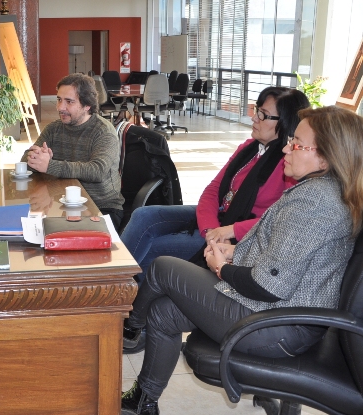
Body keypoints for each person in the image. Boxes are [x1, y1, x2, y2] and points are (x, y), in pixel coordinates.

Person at [120, 105, 363, 415]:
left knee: (162, 268)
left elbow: (269, 285)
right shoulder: (326, 191)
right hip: (281, 314)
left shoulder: (314, 202)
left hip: (273, 325)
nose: (286, 147)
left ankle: (129, 329)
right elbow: (288, 256)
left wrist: (221, 268)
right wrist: (233, 252)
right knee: (164, 311)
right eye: (291, 139)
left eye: (297, 143)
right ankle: (144, 401)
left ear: (327, 157)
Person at [120, 87, 309, 290]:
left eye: (263, 115)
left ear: (285, 123)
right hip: (220, 220)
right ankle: (108, 279)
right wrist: (210, 231)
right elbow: (213, 190)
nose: (254, 118)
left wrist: (229, 231)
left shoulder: (290, 165)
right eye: (256, 110)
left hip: (243, 234)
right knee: (144, 215)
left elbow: (278, 222)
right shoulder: (249, 148)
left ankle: (125, 299)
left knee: (154, 249)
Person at [21, 73, 125, 230]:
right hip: (64, 205)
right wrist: (37, 158)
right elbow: (25, 160)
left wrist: (50, 165)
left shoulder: (103, 132)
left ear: (87, 105)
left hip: (101, 208)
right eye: (59, 100)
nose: (60, 107)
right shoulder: (54, 129)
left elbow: (97, 171)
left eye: (69, 102)